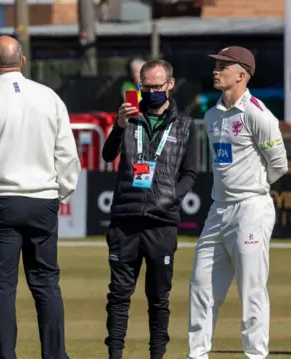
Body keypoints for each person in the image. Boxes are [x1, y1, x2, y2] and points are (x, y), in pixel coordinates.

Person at [0, 35, 81, 359]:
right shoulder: (49, 98)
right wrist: (61, 192)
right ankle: (55, 355)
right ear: (22, 61)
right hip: (42, 200)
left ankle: (7, 356)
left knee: (1, 288)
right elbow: (67, 154)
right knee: (46, 283)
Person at [187, 46, 288, 359]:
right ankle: (196, 354)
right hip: (218, 210)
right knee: (201, 285)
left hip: (251, 208)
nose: (216, 70)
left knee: (251, 289)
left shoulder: (258, 115)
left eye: (223, 66)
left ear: (241, 75)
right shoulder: (212, 114)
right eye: (216, 65)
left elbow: (279, 165)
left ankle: (256, 355)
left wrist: (254, 189)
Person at [101, 59, 198, 359]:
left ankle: (157, 355)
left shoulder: (184, 125)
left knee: (158, 297)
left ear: (170, 85)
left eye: (158, 86)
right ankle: (114, 354)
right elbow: (107, 155)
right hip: (125, 219)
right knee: (119, 295)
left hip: (161, 222)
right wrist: (118, 127)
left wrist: (170, 199)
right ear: (139, 86)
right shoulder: (129, 118)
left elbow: (190, 173)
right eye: (147, 87)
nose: (152, 91)